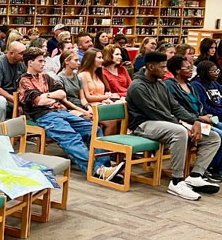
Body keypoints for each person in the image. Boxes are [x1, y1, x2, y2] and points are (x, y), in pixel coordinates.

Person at [18, 48, 123, 181]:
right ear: (30, 62)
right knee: (71, 137)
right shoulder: (24, 80)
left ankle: (104, 167)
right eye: (40, 61)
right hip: (44, 116)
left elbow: (62, 93)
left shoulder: (46, 77)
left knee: (93, 129)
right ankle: (96, 170)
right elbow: (39, 101)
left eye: (44, 61)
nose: (43, 64)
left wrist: (48, 95)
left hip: (61, 111)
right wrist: (51, 96)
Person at [128, 52, 221, 200]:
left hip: (166, 123)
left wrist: (195, 121)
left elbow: (176, 107)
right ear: (150, 67)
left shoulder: (160, 84)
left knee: (213, 136)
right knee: (180, 132)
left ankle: (195, 175)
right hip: (144, 124)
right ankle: (176, 181)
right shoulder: (137, 87)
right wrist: (184, 126)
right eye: (162, 67)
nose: (166, 70)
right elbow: (155, 113)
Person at [165, 56, 222, 182]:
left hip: (202, 118)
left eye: (191, 67)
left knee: (220, 126)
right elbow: (177, 109)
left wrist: (205, 116)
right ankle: (211, 168)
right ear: (177, 70)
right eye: (187, 68)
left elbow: (199, 105)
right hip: (188, 121)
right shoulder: (170, 85)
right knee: (219, 135)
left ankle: (218, 168)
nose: (191, 70)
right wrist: (200, 118)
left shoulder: (190, 85)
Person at [0, 40, 26, 124]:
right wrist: (14, 99)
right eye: (21, 53)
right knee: (1, 101)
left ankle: (23, 129)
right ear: (11, 53)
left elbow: (23, 83)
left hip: (11, 93)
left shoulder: (21, 64)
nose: (23, 56)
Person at [56, 51, 91, 119]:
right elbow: (64, 101)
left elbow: (82, 98)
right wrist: (84, 111)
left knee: (98, 115)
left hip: (79, 105)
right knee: (88, 118)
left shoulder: (78, 77)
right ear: (66, 61)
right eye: (76, 60)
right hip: (69, 107)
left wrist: (89, 108)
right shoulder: (59, 79)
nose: (79, 63)